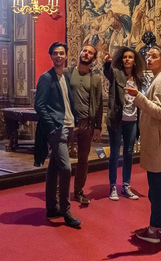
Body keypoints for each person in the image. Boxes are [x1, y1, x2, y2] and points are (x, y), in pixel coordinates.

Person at [125, 45, 161, 243]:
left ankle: (153, 230)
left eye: (154, 56)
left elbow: (158, 111)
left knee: (157, 189)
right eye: (148, 56)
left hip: (159, 146)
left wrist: (137, 96)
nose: (149, 59)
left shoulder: (160, 81)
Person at [34, 42, 81, 228]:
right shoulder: (46, 78)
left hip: (67, 127)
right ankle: (65, 211)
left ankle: (51, 207)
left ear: (66, 56)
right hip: (57, 129)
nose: (59, 56)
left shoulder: (64, 77)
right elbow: (39, 105)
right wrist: (52, 126)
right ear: (51, 56)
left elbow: (66, 104)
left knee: (54, 168)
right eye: (55, 53)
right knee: (66, 168)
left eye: (62, 53)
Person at [103, 47, 145, 200]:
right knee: (114, 153)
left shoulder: (138, 78)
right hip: (117, 119)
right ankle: (113, 186)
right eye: (125, 57)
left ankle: (126, 186)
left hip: (132, 120)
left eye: (130, 57)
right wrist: (107, 64)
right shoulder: (116, 74)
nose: (127, 59)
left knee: (128, 153)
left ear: (135, 61)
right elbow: (107, 72)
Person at [63, 44, 103, 205]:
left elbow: (99, 103)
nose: (86, 54)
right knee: (63, 159)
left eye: (90, 53)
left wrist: (98, 126)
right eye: (85, 51)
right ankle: (61, 192)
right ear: (80, 53)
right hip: (69, 123)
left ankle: (78, 191)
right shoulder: (67, 73)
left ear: (93, 58)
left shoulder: (96, 78)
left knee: (83, 160)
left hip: (87, 124)